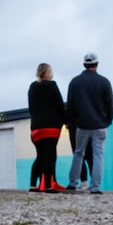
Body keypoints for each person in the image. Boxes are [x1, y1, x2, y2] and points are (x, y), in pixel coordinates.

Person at [65, 52, 113, 194]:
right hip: (100, 125)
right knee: (98, 154)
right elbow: (109, 104)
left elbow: (71, 104)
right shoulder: (104, 82)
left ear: (84, 65)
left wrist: (72, 121)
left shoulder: (75, 82)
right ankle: (95, 187)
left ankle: (73, 183)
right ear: (97, 64)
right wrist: (108, 120)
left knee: (78, 153)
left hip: (82, 125)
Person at [28, 63, 65, 192]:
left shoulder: (32, 87)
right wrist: (65, 121)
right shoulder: (52, 85)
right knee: (49, 156)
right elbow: (60, 105)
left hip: (36, 128)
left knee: (40, 156)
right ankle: (49, 185)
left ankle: (33, 185)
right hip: (51, 127)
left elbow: (31, 108)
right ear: (50, 72)